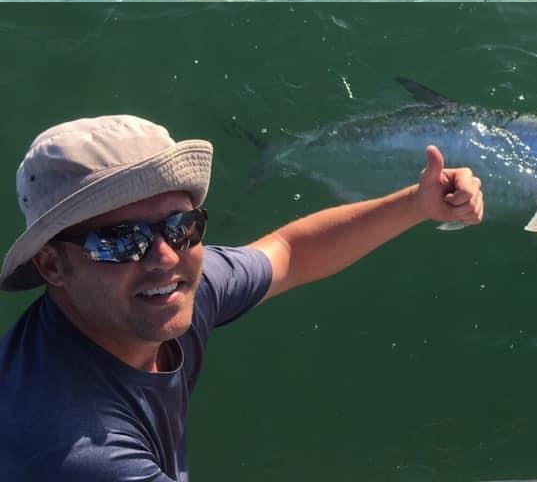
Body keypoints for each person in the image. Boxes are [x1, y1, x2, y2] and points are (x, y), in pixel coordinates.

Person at [0, 114, 483, 479]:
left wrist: (416, 205)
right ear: (51, 265)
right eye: (120, 241)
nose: (166, 258)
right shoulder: (73, 448)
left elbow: (292, 252)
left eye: (180, 226)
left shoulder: (162, 295)